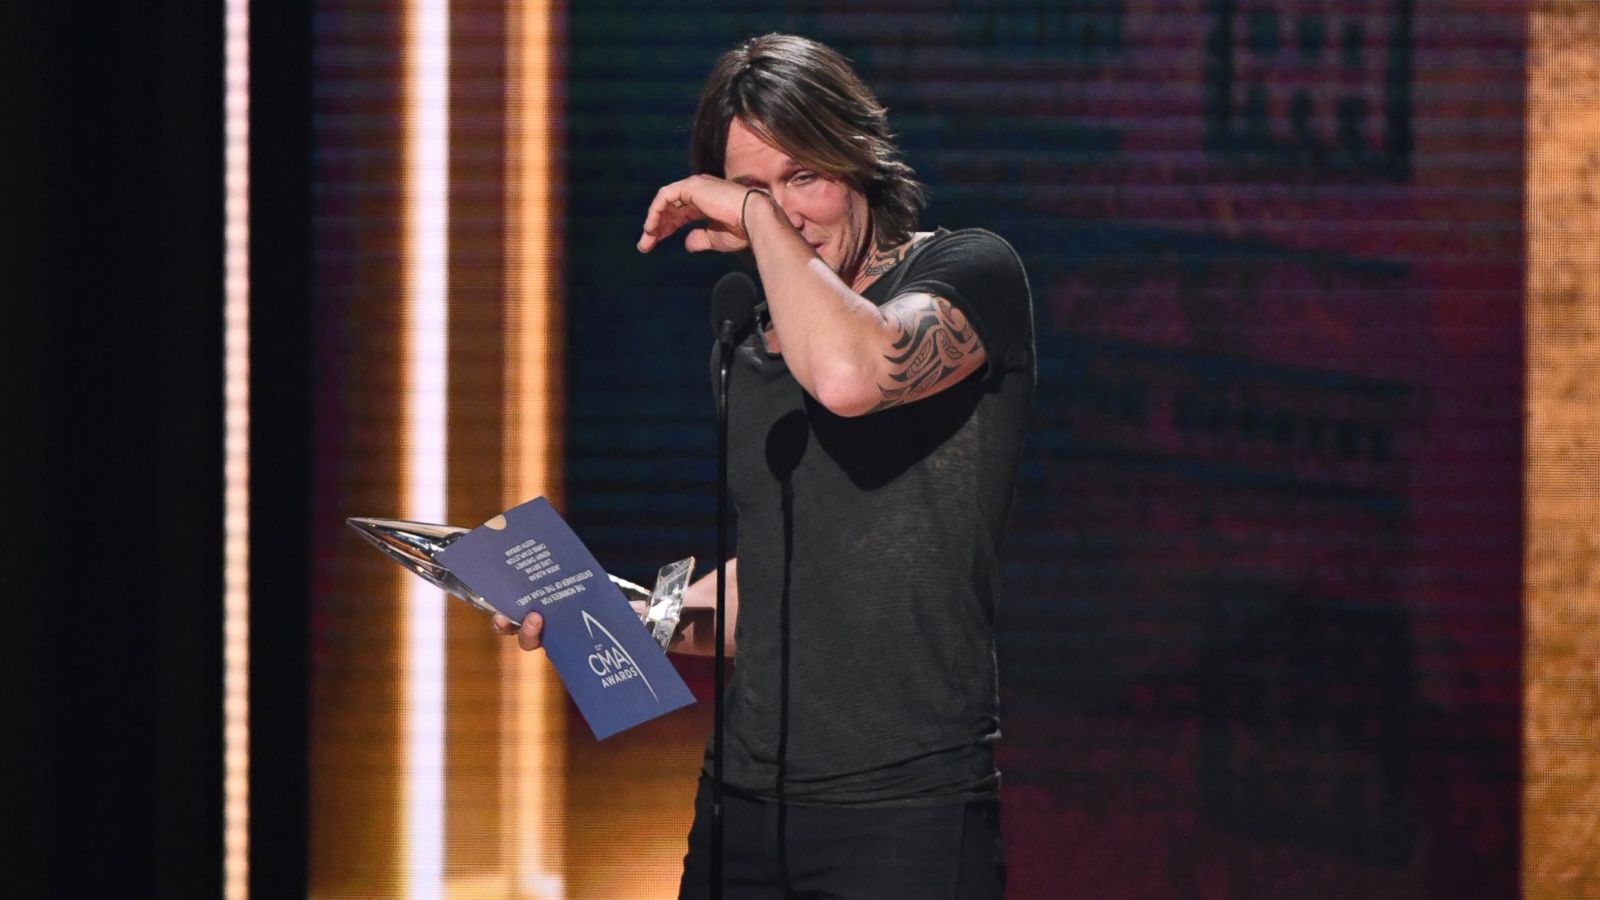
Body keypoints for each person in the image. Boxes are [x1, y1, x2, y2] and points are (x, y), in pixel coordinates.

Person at [494, 33, 1033, 899]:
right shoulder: (749, 343)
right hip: (740, 813)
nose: (781, 214)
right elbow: (779, 583)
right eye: (751, 190)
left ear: (860, 165)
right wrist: (606, 618)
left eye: (803, 179)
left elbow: (854, 375)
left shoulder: (969, 271)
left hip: (904, 823)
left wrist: (752, 221)